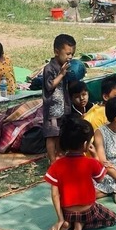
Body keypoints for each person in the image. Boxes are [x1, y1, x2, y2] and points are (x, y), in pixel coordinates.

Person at [45, 117, 116, 230]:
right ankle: (79, 226)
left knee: (74, 213)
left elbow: (55, 195)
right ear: (85, 144)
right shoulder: (90, 163)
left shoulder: (56, 165)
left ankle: (68, 223)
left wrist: (60, 218)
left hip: (67, 212)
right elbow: (100, 179)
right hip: (87, 210)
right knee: (112, 218)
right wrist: (95, 156)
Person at [42, 33, 77, 163]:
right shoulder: (49, 68)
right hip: (52, 110)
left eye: (72, 54)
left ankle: (60, 155)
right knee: (51, 135)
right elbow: (50, 86)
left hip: (63, 107)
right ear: (57, 52)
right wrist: (61, 74)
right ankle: (52, 160)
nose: (70, 57)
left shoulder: (66, 67)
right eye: (67, 53)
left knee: (60, 133)